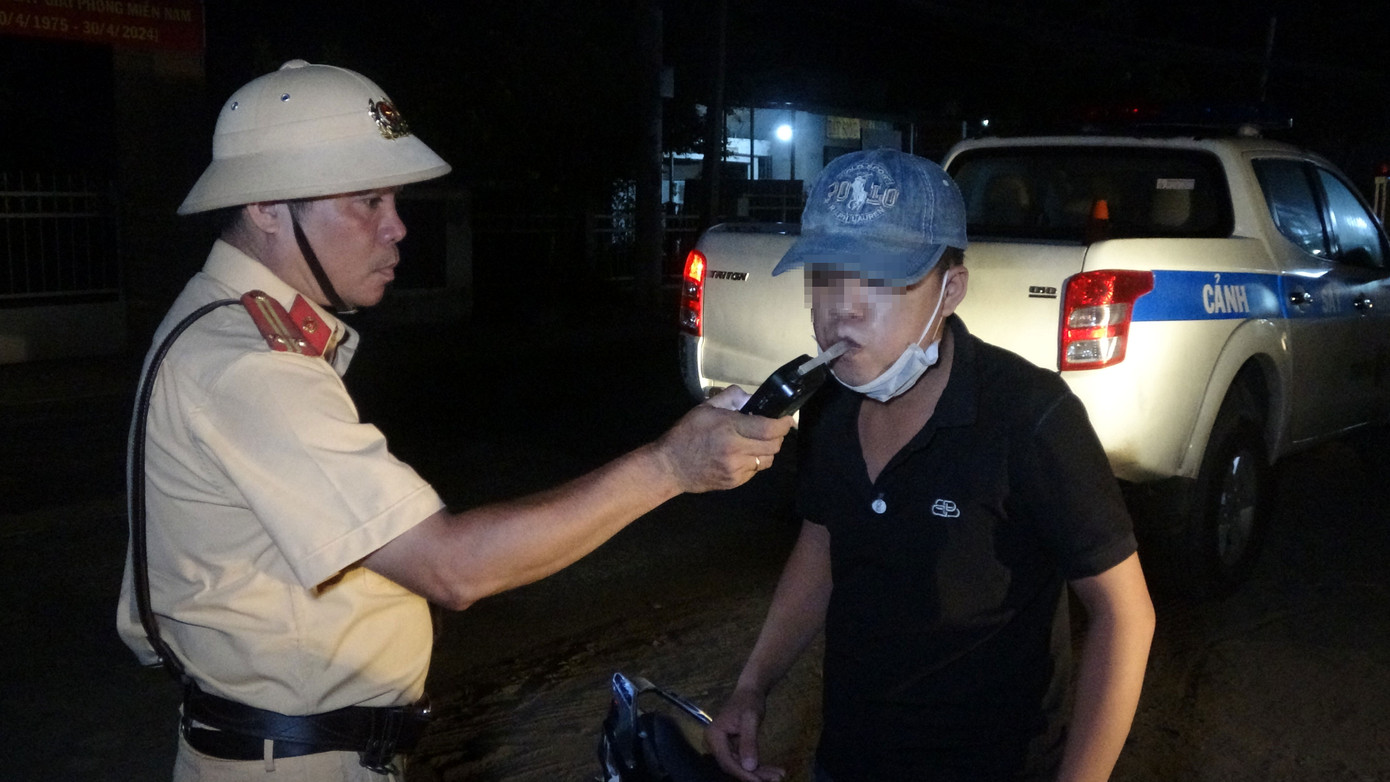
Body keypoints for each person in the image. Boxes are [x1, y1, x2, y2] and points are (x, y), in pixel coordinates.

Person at [115, 60, 792, 781]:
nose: (398, 227)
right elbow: (453, 567)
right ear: (267, 207)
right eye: (366, 200)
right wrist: (670, 465)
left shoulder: (227, 325)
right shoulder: (250, 367)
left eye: (395, 199)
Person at [705, 149, 1155, 782]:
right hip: (848, 760)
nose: (845, 307)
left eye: (884, 279)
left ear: (951, 289)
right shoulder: (830, 405)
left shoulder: (1031, 417)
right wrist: (752, 685)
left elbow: (1124, 614)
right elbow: (823, 540)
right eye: (826, 275)